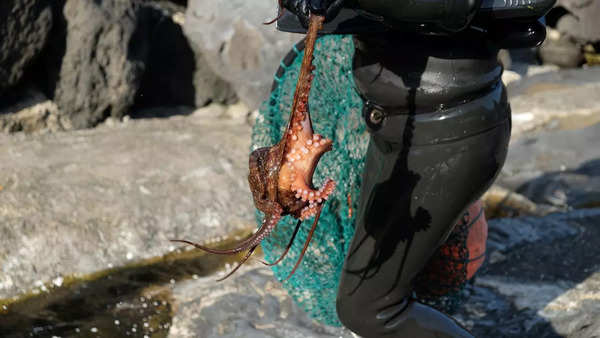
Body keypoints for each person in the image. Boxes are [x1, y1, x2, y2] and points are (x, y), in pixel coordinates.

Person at [274, 1, 556, 337]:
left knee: (370, 310)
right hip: (402, 130)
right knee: (366, 294)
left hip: (449, 133)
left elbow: (451, 7)